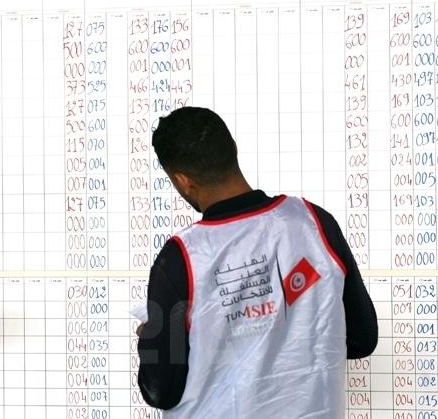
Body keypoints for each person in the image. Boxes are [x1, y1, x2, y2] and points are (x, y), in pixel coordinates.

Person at [136, 107, 378, 418]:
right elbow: (362, 339)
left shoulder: (181, 257)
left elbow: (161, 390)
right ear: (234, 149)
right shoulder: (315, 223)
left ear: (183, 180)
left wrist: (151, 337)